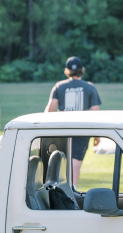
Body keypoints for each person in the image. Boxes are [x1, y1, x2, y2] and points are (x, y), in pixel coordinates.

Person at [44, 56, 102, 187]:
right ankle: (73, 187)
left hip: (63, 128)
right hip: (82, 128)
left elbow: (50, 109)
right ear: (82, 70)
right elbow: (95, 111)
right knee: (76, 160)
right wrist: (97, 134)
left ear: (67, 70)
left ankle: (58, 186)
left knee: (61, 158)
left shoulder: (59, 86)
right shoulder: (89, 87)